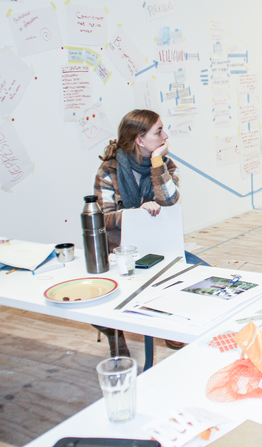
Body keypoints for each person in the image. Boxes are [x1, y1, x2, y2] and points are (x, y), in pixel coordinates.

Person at [93, 109, 181, 355]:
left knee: (198, 273)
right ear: (140, 140)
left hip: (159, 244)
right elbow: (103, 218)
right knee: (96, 297)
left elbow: (170, 199)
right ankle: (114, 333)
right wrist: (136, 214)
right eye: (158, 131)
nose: (165, 136)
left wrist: (156, 163)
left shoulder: (165, 164)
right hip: (119, 249)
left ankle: (168, 323)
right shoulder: (109, 170)